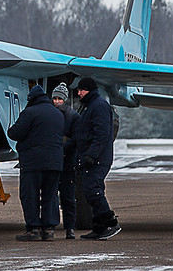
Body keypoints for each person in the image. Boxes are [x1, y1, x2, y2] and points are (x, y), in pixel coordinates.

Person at [7, 84, 65, 241]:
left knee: (30, 195)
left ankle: (34, 229)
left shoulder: (29, 112)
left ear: (32, 98)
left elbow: (15, 133)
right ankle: (49, 229)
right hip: (54, 163)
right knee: (50, 195)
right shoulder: (58, 114)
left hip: (33, 163)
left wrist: (10, 128)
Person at [74, 76, 121, 240]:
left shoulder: (99, 106)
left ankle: (110, 223)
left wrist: (92, 156)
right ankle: (100, 228)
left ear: (89, 90)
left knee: (93, 191)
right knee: (92, 191)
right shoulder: (89, 106)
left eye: (81, 90)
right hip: (91, 157)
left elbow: (101, 135)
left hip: (98, 159)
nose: (78, 93)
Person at [51, 82, 81, 239]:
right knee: (51, 196)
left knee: (68, 197)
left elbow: (77, 139)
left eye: (59, 99)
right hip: (54, 162)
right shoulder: (50, 115)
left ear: (66, 99)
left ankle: (70, 228)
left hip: (68, 162)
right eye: (54, 98)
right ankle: (52, 225)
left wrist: (62, 149)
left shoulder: (74, 117)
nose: (56, 102)